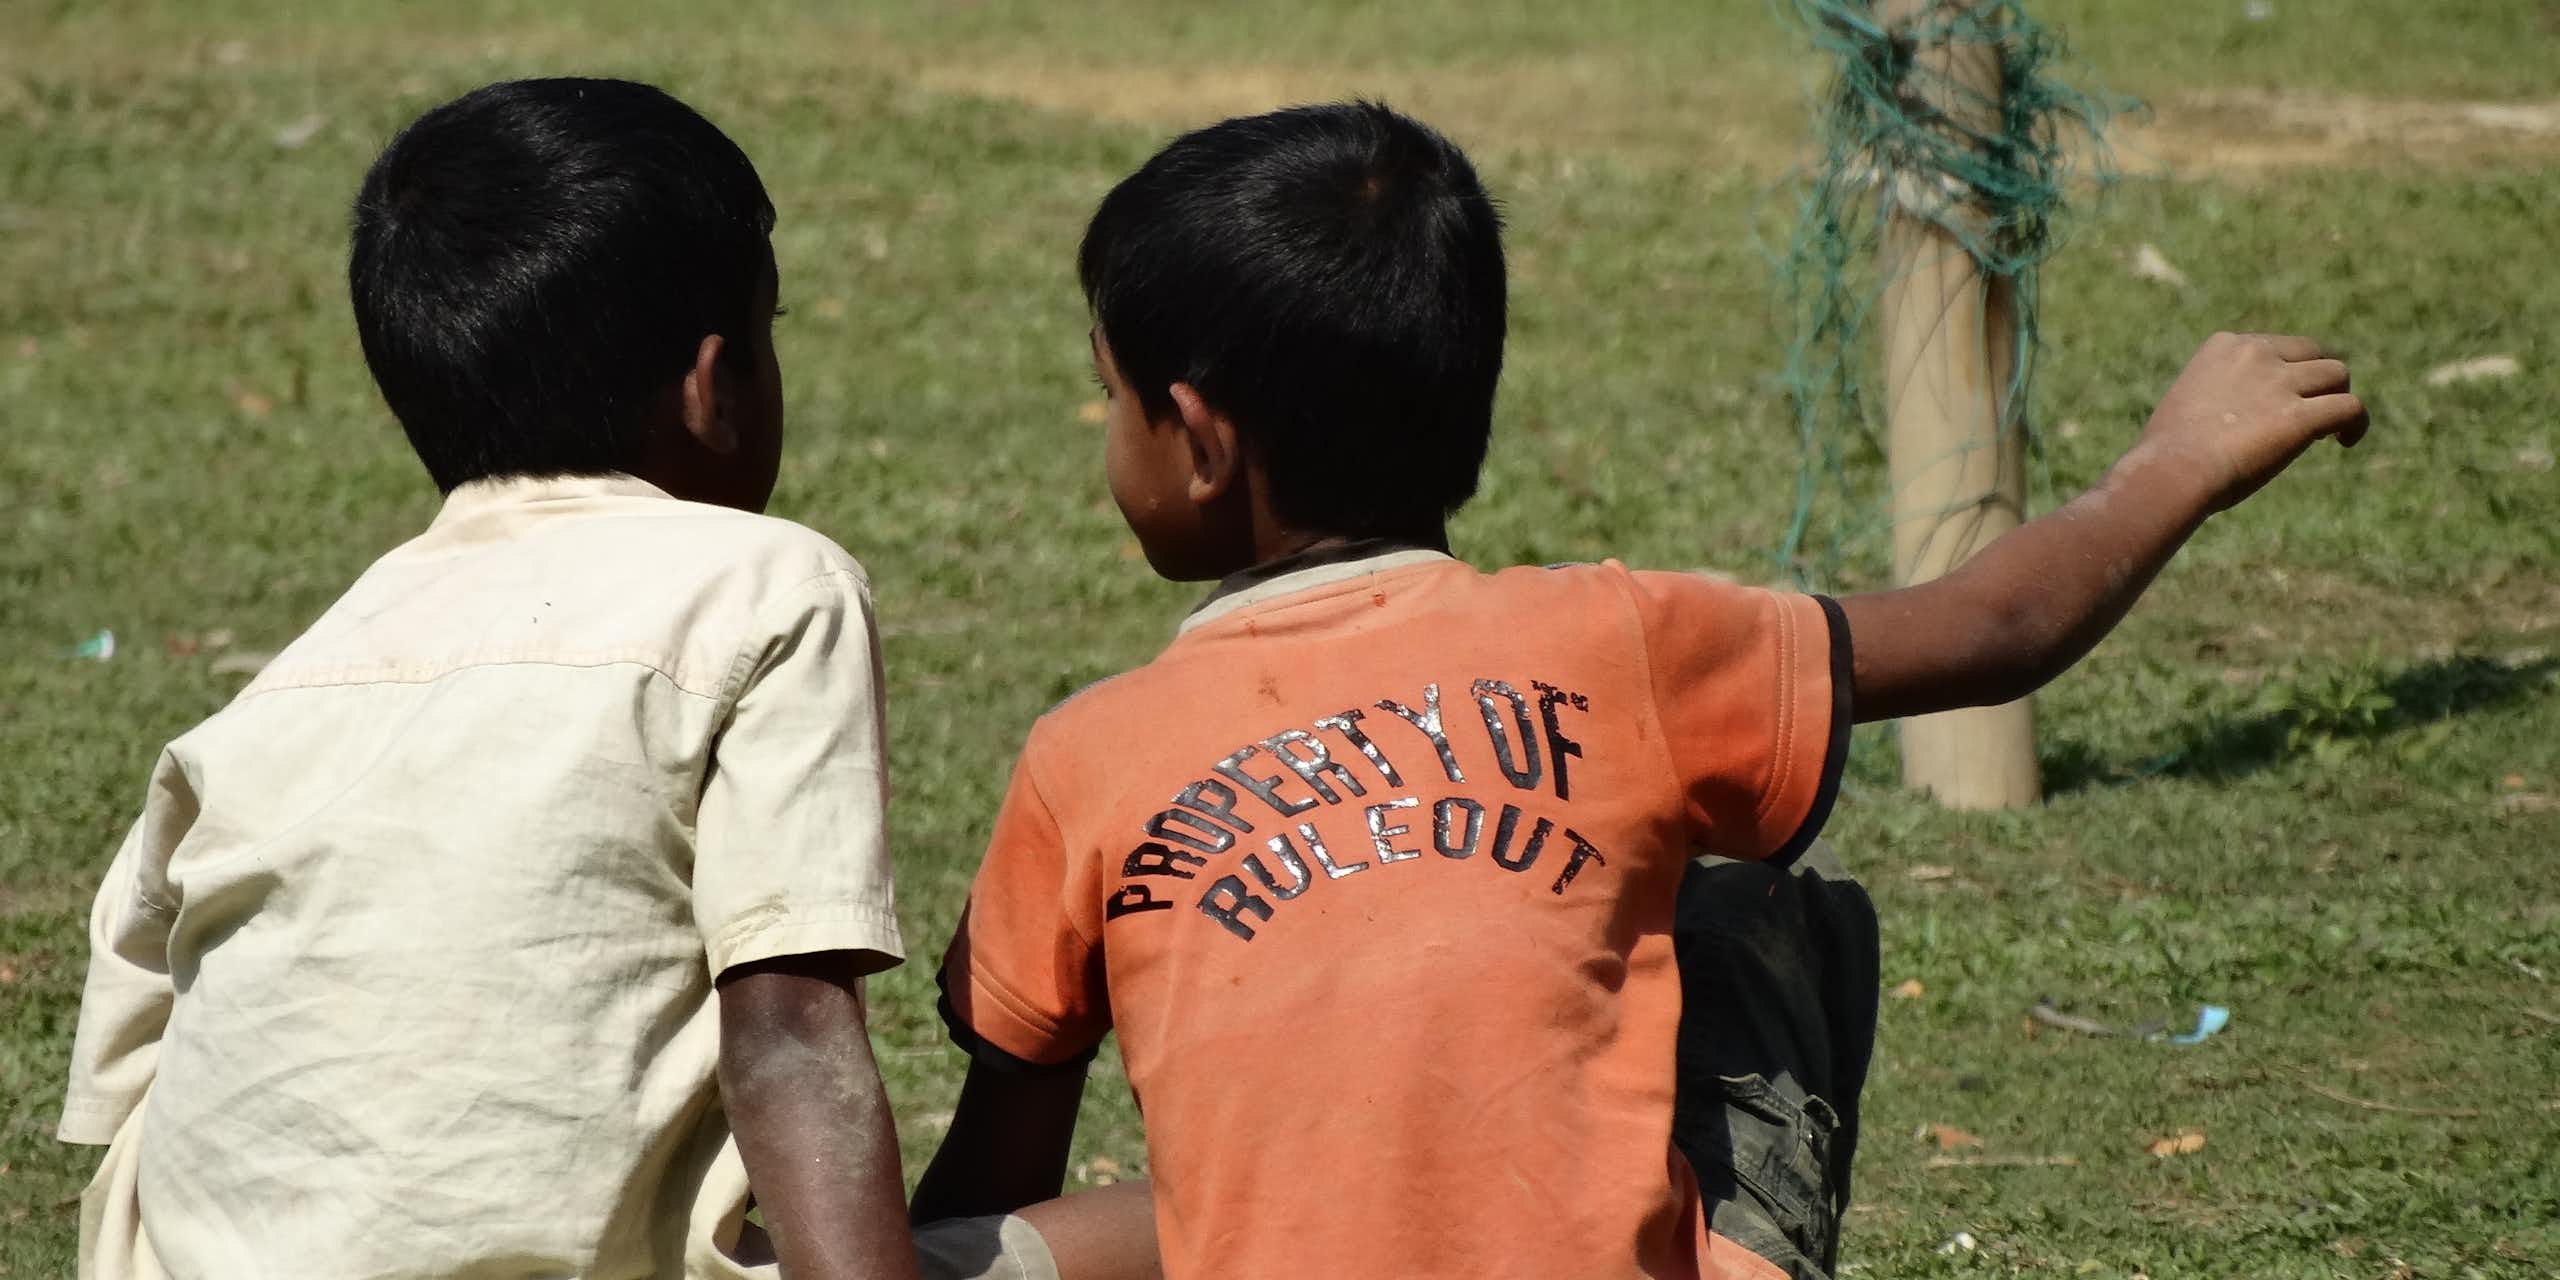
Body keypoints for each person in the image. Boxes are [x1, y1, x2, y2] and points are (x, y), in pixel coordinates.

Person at [913, 101, 2366, 1280]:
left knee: (1289, 1140)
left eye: (1109, 393)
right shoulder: (1619, 642)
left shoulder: (1086, 760)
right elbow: (1996, 625)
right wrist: (2183, 452)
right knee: (1744, 914)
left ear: (1198, 436)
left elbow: (986, 1187)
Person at [56, 77, 1155, 1280]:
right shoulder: (761, 584)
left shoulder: (268, 700)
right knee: (1190, 1221)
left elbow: (128, 1095)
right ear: (715, 382)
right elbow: (788, 1028)